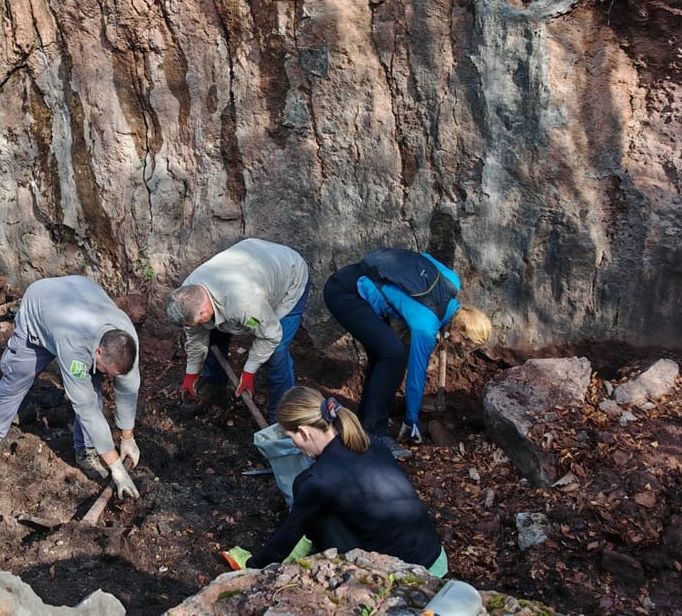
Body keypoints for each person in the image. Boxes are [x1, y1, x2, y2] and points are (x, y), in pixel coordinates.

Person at [223, 385, 448, 576]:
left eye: (292, 438)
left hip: (403, 573)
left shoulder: (321, 480)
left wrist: (253, 568)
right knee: (307, 487)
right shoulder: (366, 440)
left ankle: (300, 553)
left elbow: (286, 537)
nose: (295, 445)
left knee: (311, 507)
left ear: (304, 432)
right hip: (435, 558)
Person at [0, 275, 141, 500]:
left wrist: (127, 436)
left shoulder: (126, 339)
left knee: (94, 388)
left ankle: (86, 450)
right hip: (40, 311)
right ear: (98, 352)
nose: (108, 378)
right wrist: (117, 468)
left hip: (78, 296)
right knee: (18, 376)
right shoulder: (75, 345)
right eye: (107, 371)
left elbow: (127, 388)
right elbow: (85, 408)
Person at [323, 247, 491, 457]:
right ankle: (376, 432)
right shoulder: (426, 327)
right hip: (346, 293)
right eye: (464, 342)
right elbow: (416, 376)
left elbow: (423, 259)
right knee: (393, 354)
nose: (461, 346)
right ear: (460, 329)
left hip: (356, 280)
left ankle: (364, 422)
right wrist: (411, 420)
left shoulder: (452, 281)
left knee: (383, 355)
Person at [166, 238, 311, 422]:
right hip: (252, 268)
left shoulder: (242, 303)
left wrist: (249, 372)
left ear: (202, 310)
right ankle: (213, 386)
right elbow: (196, 338)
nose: (193, 327)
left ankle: (284, 420)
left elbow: (270, 336)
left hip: (290, 279)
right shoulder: (187, 295)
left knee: (276, 354)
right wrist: (191, 373)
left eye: (195, 322)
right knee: (212, 334)